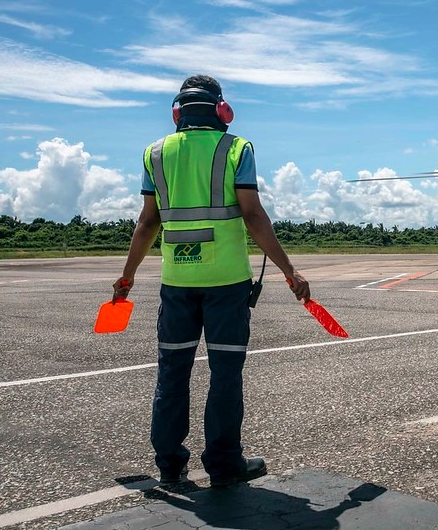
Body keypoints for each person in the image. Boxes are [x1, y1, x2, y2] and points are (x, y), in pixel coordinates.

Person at [112, 74, 309, 487]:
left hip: (177, 282)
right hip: (226, 283)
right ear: (222, 111)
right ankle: (223, 464)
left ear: (177, 113)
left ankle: (169, 465)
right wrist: (290, 271)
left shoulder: (155, 153)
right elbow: (253, 216)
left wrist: (127, 277)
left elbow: (147, 222)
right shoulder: (237, 148)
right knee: (224, 374)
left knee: (172, 373)